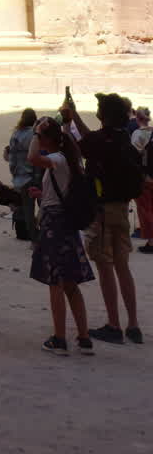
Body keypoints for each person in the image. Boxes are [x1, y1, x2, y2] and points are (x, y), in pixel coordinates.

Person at [68, 91, 144, 344]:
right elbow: (91, 139)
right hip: (123, 209)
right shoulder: (126, 141)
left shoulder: (100, 141)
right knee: (123, 267)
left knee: (105, 266)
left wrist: (69, 118)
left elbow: (79, 146)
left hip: (101, 212)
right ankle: (133, 324)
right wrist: (76, 114)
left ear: (104, 115)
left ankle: (113, 324)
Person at [27, 117, 94, 355]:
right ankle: (84, 338)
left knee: (54, 282)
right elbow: (56, 191)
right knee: (70, 283)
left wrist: (36, 133)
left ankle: (59, 338)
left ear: (48, 139)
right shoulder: (67, 160)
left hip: (55, 224)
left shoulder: (56, 158)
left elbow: (32, 158)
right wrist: (41, 194)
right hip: (65, 222)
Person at [4, 108, 39, 242]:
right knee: (45, 208)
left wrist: (14, 173)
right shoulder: (35, 134)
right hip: (36, 175)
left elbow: (12, 158)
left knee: (28, 211)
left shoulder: (16, 134)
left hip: (21, 177)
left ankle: (34, 239)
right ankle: (41, 237)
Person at [131, 106, 153, 254]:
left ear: (137, 118)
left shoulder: (137, 134)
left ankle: (151, 241)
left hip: (144, 178)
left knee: (145, 210)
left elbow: (133, 157)